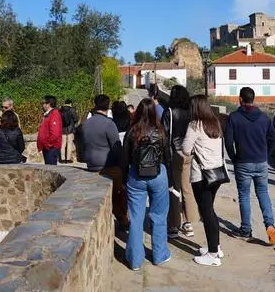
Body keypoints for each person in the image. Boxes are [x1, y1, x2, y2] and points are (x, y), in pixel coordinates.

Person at [120, 98, 173, 271]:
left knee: (136, 218)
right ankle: (159, 255)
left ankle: (135, 260)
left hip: (136, 176)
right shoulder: (161, 131)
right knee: (159, 216)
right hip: (158, 175)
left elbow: (124, 159)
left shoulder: (132, 131)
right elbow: (168, 157)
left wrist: (123, 180)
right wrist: (171, 181)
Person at [225, 87, 275, 245]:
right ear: (253, 99)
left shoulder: (234, 118)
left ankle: (246, 229)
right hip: (261, 162)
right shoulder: (264, 118)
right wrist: (266, 155)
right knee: (263, 193)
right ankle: (270, 225)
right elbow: (273, 139)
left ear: (240, 99)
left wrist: (234, 158)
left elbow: (228, 142)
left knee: (244, 196)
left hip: (243, 162)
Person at [182, 95, 226, 266]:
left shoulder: (194, 125)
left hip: (201, 176)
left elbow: (186, 149)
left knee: (206, 213)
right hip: (216, 173)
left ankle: (213, 255)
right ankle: (216, 247)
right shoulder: (215, 123)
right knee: (210, 211)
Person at [82, 94, 128, 228]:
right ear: (108, 107)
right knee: (120, 192)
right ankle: (123, 218)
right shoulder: (109, 124)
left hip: (90, 165)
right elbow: (116, 148)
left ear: (95, 105)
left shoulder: (86, 123)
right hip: (107, 167)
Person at [161, 85, 198, 239]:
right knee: (187, 187)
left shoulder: (169, 112)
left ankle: (173, 226)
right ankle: (189, 223)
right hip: (189, 153)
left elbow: (164, 135)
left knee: (174, 189)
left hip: (174, 153)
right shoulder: (191, 112)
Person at [37, 95, 63, 165]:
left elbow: (55, 134)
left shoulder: (54, 114)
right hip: (48, 148)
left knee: (51, 169)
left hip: (51, 148)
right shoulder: (49, 114)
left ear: (48, 104)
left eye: (43, 103)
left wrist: (47, 144)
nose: (42, 105)